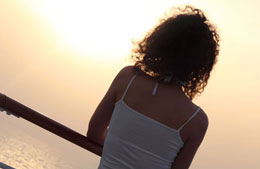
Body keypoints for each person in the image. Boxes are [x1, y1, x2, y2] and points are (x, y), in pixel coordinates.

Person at [87, 5, 219, 169]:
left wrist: (120, 148)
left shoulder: (128, 78)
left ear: (161, 41)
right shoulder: (197, 121)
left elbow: (94, 133)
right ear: (200, 65)